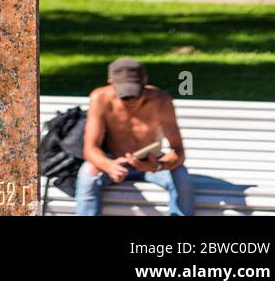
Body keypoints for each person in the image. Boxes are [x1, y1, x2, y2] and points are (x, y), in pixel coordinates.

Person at [76, 58, 194, 216]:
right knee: (87, 175)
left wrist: (157, 165)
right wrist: (109, 165)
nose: (131, 100)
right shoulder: (100, 98)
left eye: (135, 93)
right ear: (111, 83)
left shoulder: (161, 101)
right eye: (124, 95)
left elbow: (178, 151)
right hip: (114, 161)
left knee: (181, 177)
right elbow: (90, 148)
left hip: (151, 161)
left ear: (144, 81)